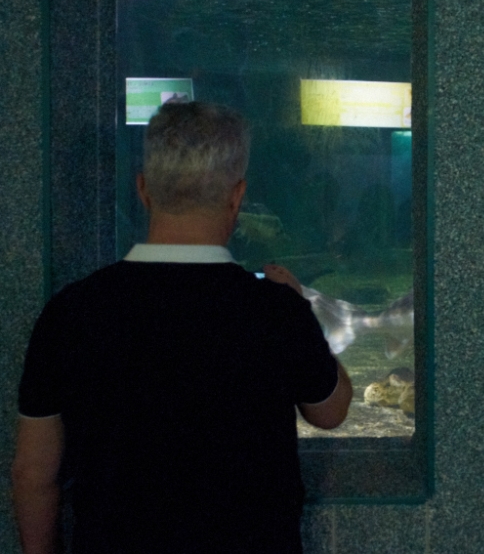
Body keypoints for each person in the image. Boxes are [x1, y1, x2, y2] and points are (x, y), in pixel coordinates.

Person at [12, 101, 352, 554]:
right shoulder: (277, 311)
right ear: (237, 196)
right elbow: (331, 412)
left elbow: (33, 475)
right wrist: (302, 309)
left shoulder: (71, 312)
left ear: (143, 190)